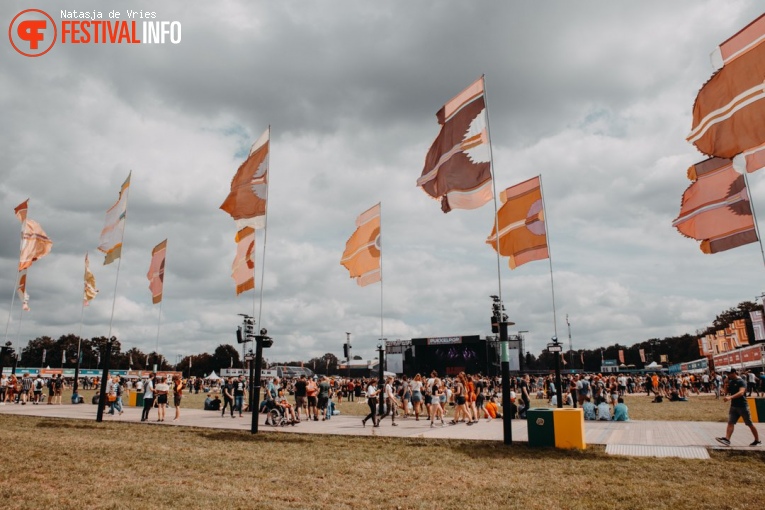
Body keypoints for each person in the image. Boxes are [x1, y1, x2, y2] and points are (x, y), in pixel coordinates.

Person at [716, 368, 761, 447]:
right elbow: (725, 392)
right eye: (727, 374)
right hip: (734, 406)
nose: (728, 375)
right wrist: (725, 384)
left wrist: (730, 397)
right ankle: (727, 439)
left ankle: (757, 440)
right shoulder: (731, 382)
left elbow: (741, 392)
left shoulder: (741, 382)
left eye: (729, 373)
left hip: (742, 406)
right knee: (730, 422)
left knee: (749, 424)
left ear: (734, 373)